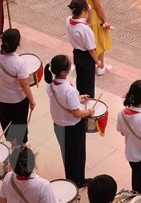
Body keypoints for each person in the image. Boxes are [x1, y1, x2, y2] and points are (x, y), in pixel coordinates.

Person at [45, 54, 93, 188]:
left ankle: (70, 179)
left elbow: (62, 100)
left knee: (67, 154)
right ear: (62, 72)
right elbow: (77, 113)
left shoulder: (51, 85)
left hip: (58, 124)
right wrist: (89, 112)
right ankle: (78, 181)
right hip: (72, 127)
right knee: (77, 155)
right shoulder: (69, 90)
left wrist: (78, 98)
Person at [0, 28, 35, 145]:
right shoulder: (19, 63)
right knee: (19, 124)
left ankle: (13, 144)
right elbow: (24, 84)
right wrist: (32, 100)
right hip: (17, 100)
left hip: (0, 97)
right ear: (18, 44)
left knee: (6, 121)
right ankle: (21, 148)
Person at [73, 0, 111, 75]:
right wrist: (105, 20)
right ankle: (100, 66)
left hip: (81, 14)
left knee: (87, 40)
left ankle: (94, 63)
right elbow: (98, 6)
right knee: (98, 40)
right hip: (92, 15)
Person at [66, 0, 101, 97]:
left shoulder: (69, 21)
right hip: (86, 57)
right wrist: (97, 61)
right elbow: (91, 49)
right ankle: (88, 106)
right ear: (83, 10)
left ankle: (79, 99)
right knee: (88, 84)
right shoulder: (85, 30)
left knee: (80, 80)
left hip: (77, 54)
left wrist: (89, 12)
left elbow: (87, 22)